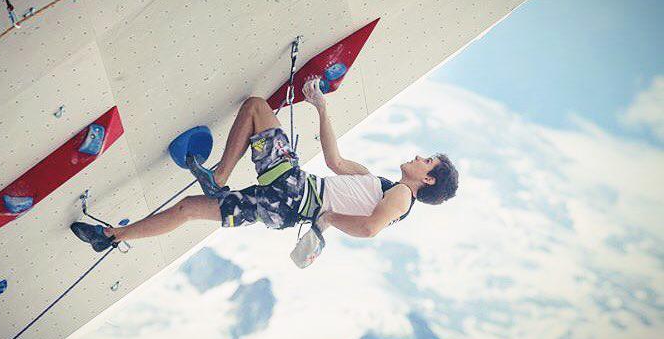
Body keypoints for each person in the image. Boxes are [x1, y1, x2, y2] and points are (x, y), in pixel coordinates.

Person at [70, 77, 459, 261]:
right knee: (188, 209)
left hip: (295, 191)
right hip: (281, 210)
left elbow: (370, 229)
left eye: (427, 161)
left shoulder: (401, 196)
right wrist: (321, 108)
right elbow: (335, 162)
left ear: (427, 180)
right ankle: (110, 236)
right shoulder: (382, 184)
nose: (419, 156)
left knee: (256, 107)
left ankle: (218, 177)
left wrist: (328, 218)